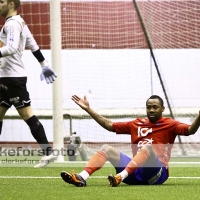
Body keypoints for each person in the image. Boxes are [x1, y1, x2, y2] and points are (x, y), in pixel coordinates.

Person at [60, 94, 200, 187]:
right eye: (149, 107)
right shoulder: (136, 123)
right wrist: (89, 109)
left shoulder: (170, 124)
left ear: (162, 109)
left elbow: (190, 130)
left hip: (157, 174)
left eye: (155, 107)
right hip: (134, 173)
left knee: (148, 147)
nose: (151, 110)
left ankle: (120, 177)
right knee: (106, 148)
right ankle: (82, 177)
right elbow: (109, 125)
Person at [0, 0, 57, 168]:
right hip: (5, 78)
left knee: (27, 114)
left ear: (11, 4)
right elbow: (32, 44)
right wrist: (44, 64)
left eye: (1, 1)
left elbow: (10, 48)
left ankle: (48, 152)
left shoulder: (12, 24)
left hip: (13, 79)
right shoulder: (20, 21)